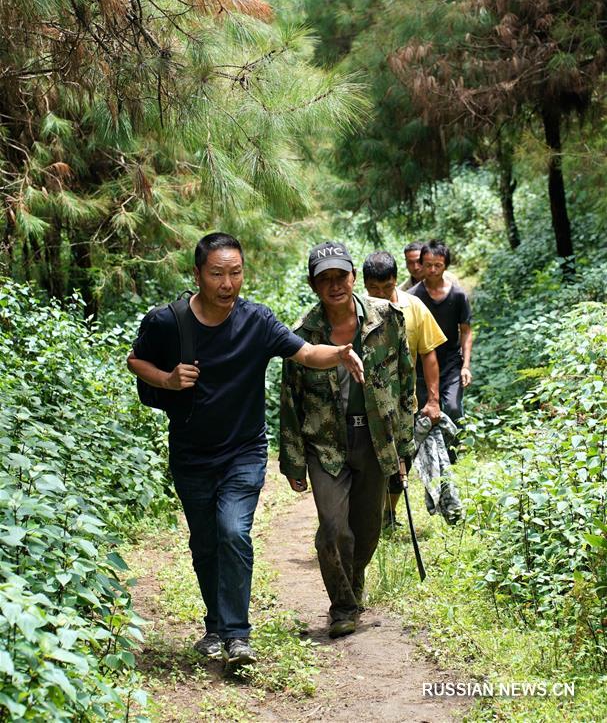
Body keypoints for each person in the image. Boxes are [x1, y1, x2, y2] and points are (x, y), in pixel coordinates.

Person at [127, 232, 363, 668]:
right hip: (191, 452)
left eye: (235, 273)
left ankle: (237, 635)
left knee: (233, 532)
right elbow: (135, 361)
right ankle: (215, 627)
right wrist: (166, 379)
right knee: (205, 541)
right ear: (198, 274)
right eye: (217, 273)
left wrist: (340, 354)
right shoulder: (168, 321)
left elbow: (306, 352)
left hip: (244, 451)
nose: (227, 283)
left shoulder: (257, 321)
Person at [280, 241, 414, 638]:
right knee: (333, 528)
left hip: (375, 437)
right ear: (313, 284)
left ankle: (353, 588)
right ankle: (342, 606)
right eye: (326, 279)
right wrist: (293, 461)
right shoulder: (302, 335)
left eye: (341, 276)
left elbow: (405, 381)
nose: (335, 285)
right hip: (326, 443)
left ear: (354, 277)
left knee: (368, 527)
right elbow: (290, 400)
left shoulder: (387, 319)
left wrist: (403, 445)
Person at [363, 250, 447, 526]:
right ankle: (369, 514)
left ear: (396, 280)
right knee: (370, 464)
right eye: (373, 289)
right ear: (363, 285)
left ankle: (388, 513)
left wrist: (433, 400)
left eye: (387, 287)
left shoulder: (414, 307)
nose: (381, 294)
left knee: (402, 461)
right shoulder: (356, 310)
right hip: (367, 405)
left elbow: (429, 355)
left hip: (403, 404)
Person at [408, 240, 472, 435]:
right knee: (423, 414)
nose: (433, 270)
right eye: (428, 265)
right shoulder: (413, 297)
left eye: (438, 265)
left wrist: (465, 366)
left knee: (453, 408)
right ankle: (428, 459)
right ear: (421, 264)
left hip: (451, 363)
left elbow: (466, 331)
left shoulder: (458, 296)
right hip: (422, 365)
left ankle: (457, 452)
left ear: (446, 266)